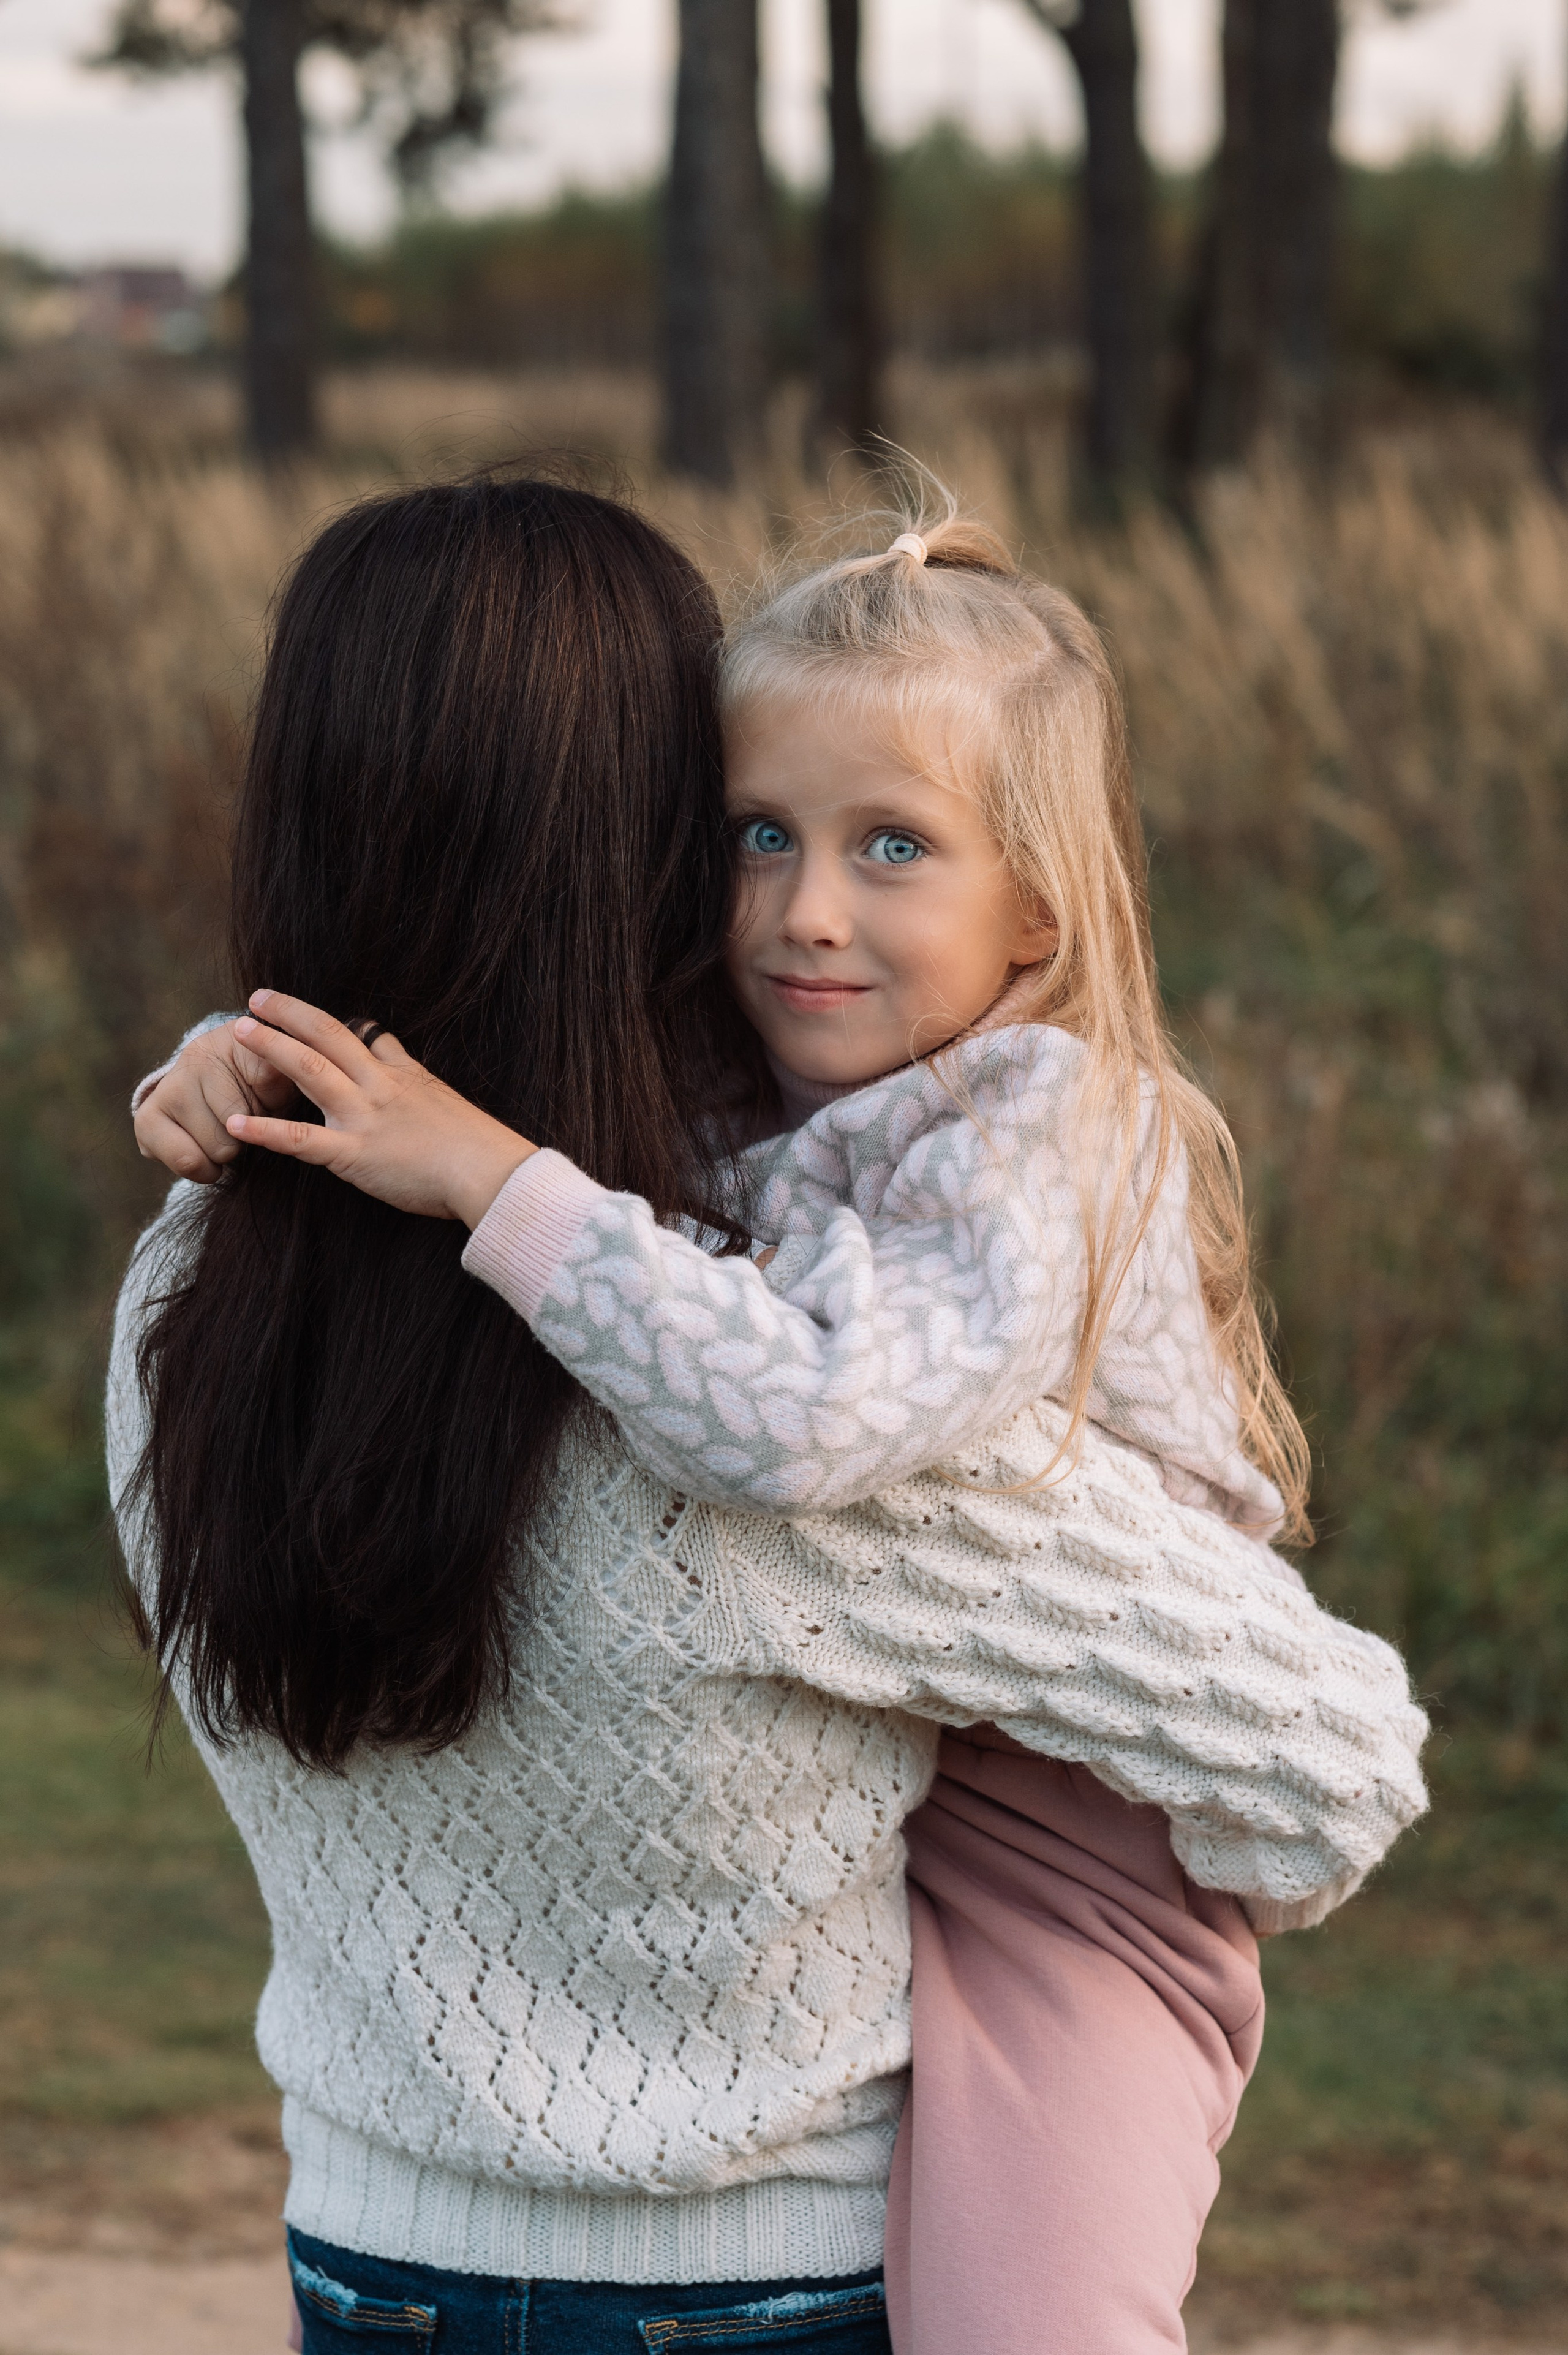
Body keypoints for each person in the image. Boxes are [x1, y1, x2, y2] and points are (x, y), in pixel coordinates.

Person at [125, 481, 1428, 2355]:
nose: (804, 907)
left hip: (1075, 1824)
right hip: (758, 2213)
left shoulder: (193, 1295)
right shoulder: (755, 1116)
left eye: (894, 844)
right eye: (748, 833)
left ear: (1038, 917)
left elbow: (805, 1408)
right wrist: (237, 1056)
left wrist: (459, 1162)